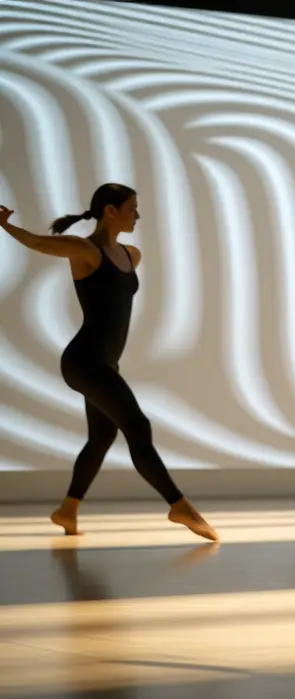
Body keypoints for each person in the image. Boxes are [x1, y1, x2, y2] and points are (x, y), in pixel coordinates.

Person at [0, 187, 217, 540]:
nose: (138, 215)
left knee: (102, 436)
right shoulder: (84, 250)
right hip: (84, 362)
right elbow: (39, 243)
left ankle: (67, 510)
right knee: (138, 427)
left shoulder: (132, 255)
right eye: (133, 208)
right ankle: (179, 506)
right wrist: (5, 227)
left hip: (104, 364)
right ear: (111, 211)